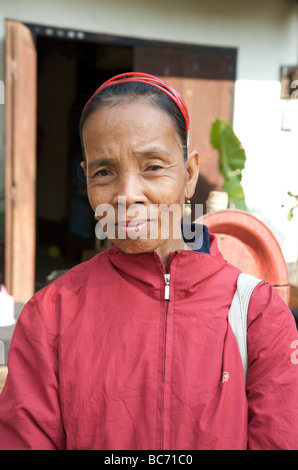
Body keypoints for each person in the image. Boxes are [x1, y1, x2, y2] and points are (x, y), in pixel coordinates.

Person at [0, 72, 298, 450]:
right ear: (86, 180)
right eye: (104, 171)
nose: (127, 195)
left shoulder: (257, 314)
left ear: (189, 175)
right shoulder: (51, 315)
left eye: (153, 166)